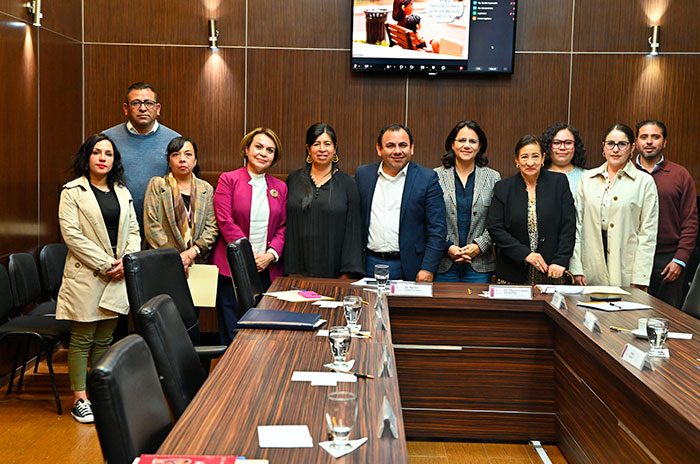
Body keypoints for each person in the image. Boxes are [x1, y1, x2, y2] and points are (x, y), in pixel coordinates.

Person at [56, 134, 141, 423]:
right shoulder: (72, 191)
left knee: (105, 338)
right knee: (82, 338)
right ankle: (80, 399)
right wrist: (106, 264)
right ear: (87, 157)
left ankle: (99, 393)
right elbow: (72, 236)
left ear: (115, 160)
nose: (103, 158)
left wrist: (126, 261)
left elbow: (134, 231)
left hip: (118, 273)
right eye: (96, 152)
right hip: (88, 273)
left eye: (108, 153)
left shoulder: (122, 192)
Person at [211, 128, 287, 345]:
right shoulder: (229, 179)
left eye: (270, 150)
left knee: (264, 333)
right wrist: (247, 256)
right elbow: (225, 221)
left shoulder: (280, 187)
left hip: (266, 269)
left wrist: (270, 255)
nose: (263, 153)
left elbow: (283, 226)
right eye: (258, 147)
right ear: (246, 149)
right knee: (233, 331)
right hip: (232, 269)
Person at [570, 124, 659, 288]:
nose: (615, 149)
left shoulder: (644, 182)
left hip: (626, 263)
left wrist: (640, 277)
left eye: (622, 144)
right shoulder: (587, 178)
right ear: (603, 147)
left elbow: (648, 234)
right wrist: (576, 268)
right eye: (610, 144)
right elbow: (577, 225)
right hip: (590, 260)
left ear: (632, 147)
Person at [355, 123, 446, 281]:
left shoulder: (427, 179)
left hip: (410, 267)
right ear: (379, 149)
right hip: (368, 263)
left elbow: (437, 230)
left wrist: (428, 268)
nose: (397, 151)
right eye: (390, 145)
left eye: (403, 145)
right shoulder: (363, 175)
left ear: (412, 148)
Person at [487, 135, 575, 284]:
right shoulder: (503, 188)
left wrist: (561, 260)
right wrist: (525, 254)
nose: (530, 162)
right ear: (516, 160)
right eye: (524, 157)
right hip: (513, 271)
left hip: (552, 270)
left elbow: (569, 224)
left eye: (535, 156)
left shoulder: (559, 183)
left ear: (543, 158)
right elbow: (495, 227)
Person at [284, 123, 363, 278]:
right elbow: (285, 225)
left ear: (335, 148)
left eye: (327, 144)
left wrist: (347, 274)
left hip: (334, 272)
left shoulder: (348, 184)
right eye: (316, 144)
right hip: (296, 270)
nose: (322, 149)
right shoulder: (293, 180)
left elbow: (354, 232)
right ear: (308, 149)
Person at [634, 120, 697, 307]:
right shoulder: (625, 172)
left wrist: (680, 259)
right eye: (644, 137)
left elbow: (690, 222)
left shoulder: (680, 175)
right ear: (636, 142)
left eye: (655, 137)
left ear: (664, 142)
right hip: (632, 255)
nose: (649, 141)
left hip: (667, 258)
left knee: (666, 315)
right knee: (629, 313)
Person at [102, 82, 180, 228]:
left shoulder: (175, 141)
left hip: (161, 225)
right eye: (136, 103)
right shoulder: (107, 140)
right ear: (126, 108)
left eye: (149, 103)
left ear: (157, 109)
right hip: (117, 223)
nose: (143, 108)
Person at [434, 120, 500, 283]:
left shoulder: (493, 177)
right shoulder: (435, 176)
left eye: (473, 141)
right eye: (462, 140)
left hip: (479, 263)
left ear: (480, 146)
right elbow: (430, 219)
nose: (467, 145)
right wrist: (448, 246)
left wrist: (479, 246)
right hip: (444, 262)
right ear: (452, 144)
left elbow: (497, 220)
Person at [143, 136, 219, 273]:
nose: (182, 159)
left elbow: (212, 228)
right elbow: (151, 225)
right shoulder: (158, 185)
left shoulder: (206, 189)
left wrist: (191, 253)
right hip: (162, 262)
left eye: (188, 154)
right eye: (176, 154)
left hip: (196, 262)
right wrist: (175, 257)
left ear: (195, 161)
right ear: (169, 161)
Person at [540, 122, 587, 196]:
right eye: (556, 143)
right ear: (548, 145)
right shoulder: (538, 176)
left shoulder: (587, 177)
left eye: (568, 143)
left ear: (576, 146)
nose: (562, 148)